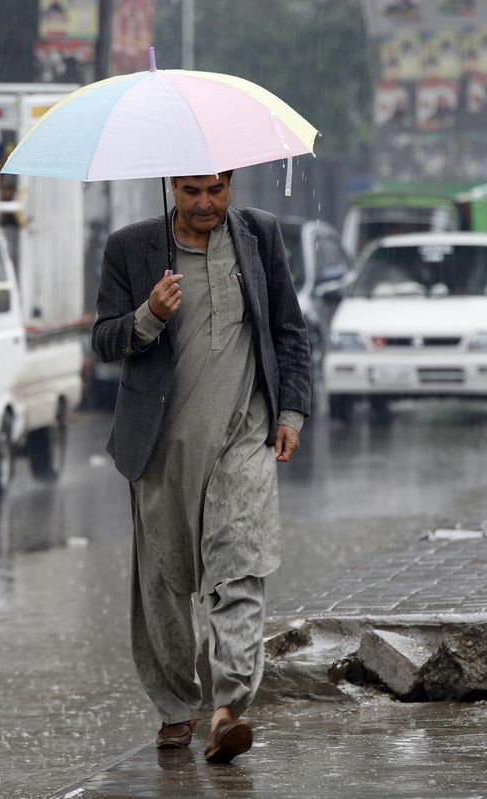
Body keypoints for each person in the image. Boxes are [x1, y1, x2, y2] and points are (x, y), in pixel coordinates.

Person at [90, 171, 312, 764]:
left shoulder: (260, 237)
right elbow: (104, 341)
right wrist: (147, 317)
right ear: (172, 188)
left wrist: (290, 409)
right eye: (191, 192)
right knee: (163, 586)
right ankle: (175, 707)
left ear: (231, 183)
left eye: (216, 190)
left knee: (240, 569)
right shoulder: (131, 248)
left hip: (243, 435)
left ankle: (227, 710)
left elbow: (290, 330)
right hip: (161, 446)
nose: (205, 203)